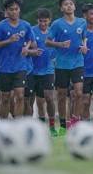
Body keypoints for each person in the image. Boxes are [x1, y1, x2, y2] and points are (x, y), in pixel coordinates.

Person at [45, 0, 87, 135]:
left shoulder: (82, 22)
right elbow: (48, 42)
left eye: (71, 3)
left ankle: (75, 122)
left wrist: (84, 46)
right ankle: (63, 125)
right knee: (62, 95)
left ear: (74, 6)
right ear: (61, 8)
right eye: (65, 4)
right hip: (62, 64)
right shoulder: (57, 24)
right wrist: (60, 44)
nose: (68, 6)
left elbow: (84, 38)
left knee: (79, 93)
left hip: (78, 62)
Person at [0, 0, 34, 119]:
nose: (14, 12)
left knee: (20, 96)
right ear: (6, 11)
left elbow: (30, 40)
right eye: (11, 9)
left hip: (21, 66)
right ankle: (3, 126)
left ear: (19, 9)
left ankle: (18, 125)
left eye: (16, 9)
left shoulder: (25, 25)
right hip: (5, 67)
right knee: (5, 98)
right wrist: (8, 41)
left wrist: (27, 48)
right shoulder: (0, 26)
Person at [28, 8, 58, 136]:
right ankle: (38, 128)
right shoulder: (32, 31)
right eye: (41, 21)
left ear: (49, 21)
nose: (43, 24)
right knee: (36, 101)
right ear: (37, 21)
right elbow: (26, 48)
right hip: (33, 71)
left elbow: (59, 48)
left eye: (45, 21)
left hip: (48, 70)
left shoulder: (53, 32)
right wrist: (32, 52)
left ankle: (51, 127)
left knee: (49, 98)